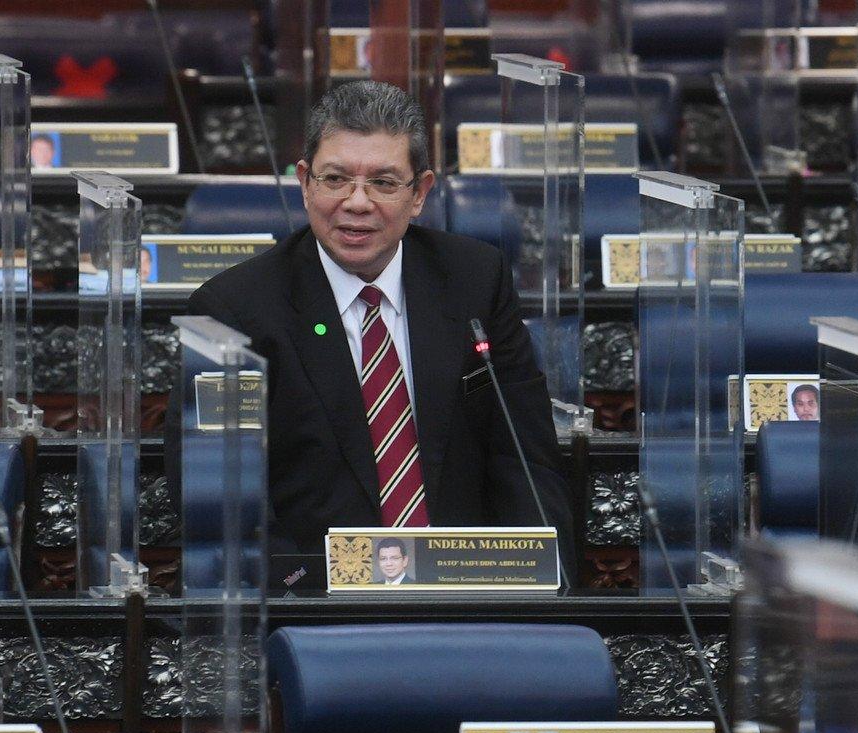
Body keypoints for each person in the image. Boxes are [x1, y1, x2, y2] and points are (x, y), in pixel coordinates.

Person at [185, 81, 573, 577]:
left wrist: (547, 584)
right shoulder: (234, 311)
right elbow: (224, 494)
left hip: (468, 586)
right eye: (335, 179)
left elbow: (525, 457)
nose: (357, 202)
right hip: (314, 604)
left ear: (420, 194)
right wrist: (299, 597)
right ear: (304, 182)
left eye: (384, 183)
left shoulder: (475, 280)